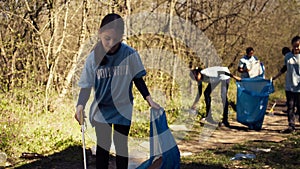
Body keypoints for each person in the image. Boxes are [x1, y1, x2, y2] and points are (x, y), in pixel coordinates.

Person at [74, 13, 160, 169]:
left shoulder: (129, 54)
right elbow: (86, 86)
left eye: (116, 40)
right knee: (103, 149)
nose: (111, 44)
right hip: (102, 110)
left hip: (123, 108)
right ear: (100, 33)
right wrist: (80, 106)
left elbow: (138, 79)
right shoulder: (92, 58)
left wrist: (149, 100)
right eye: (107, 38)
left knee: (121, 148)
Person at [281, 35, 300, 133]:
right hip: (289, 86)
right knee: (290, 107)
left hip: (299, 87)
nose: (296, 48)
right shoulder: (288, 56)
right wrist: (275, 77)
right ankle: (291, 125)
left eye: (298, 46)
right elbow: (285, 68)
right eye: (294, 46)